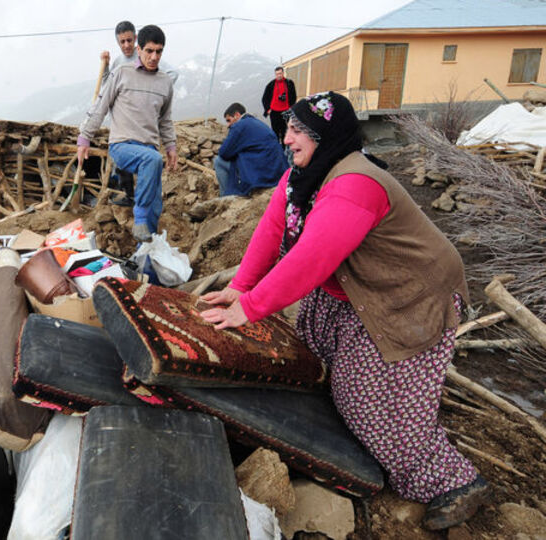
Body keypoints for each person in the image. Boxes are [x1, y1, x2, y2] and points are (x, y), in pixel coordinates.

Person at [199, 91, 488, 531]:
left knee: (370, 404)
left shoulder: (355, 184)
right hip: (357, 289)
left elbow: (311, 259)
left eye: (300, 131)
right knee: (312, 340)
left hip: (407, 295)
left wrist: (251, 308)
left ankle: (451, 481)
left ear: (327, 137)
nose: (288, 139)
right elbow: (274, 225)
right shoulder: (304, 176)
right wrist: (240, 287)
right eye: (289, 128)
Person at [78, 25, 177, 242]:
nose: (154, 57)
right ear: (139, 49)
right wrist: (85, 136)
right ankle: (138, 215)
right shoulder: (122, 73)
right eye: (149, 51)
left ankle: (145, 258)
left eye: (159, 51)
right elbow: (101, 105)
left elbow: (165, 120)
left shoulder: (165, 82)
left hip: (148, 148)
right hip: (122, 145)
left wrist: (170, 146)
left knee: (155, 205)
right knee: (152, 161)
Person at [213, 103, 287, 197]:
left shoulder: (239, 126)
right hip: (276, 170)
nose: (228, 125)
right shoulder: (256, 122)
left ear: (236, 115)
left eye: (229, 120)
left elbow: (224, 153)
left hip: (262, 171)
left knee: (218, 161)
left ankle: (225, 197)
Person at [261, 67, 297, 143]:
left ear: (283, 73)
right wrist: (268, 109)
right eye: (277, 74)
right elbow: (264, 98)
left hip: (286, 111)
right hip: (274, 112)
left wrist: (291, 107)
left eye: (280, 73)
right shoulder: (271, 85)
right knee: (275, 132)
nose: (279, 75)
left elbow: (294, 96)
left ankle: (285, 150)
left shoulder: (289, 83)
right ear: (275, 75)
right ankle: (276, 149)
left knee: (285, 131)